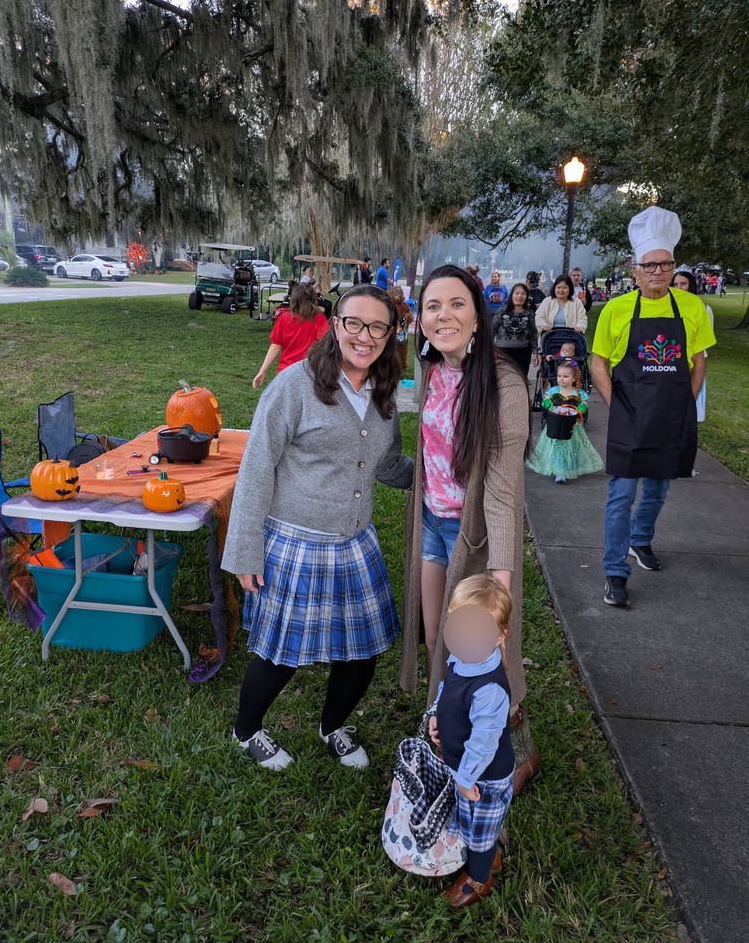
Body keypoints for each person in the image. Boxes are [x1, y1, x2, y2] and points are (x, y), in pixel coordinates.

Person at [223, 285, 413, 771]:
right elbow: (257, 469)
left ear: (391, 334)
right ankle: (246, 731)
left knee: (362, 652)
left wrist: (437, 475)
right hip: (296, 541)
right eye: (354, 323)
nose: (365, 336)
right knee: (281, 654)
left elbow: (387, 464)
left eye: (378, 327)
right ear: (335, 324)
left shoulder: (384, 389)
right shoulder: (294, 385)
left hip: (356, 542)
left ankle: (333, 726)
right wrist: (245, 550)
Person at [399, 264, 539, 797]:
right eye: (433, 306)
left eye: (457, 304)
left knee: (480, 651)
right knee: (437, 638)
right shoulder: (432, 368)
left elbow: (503, 493)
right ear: (422, 319)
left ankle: (513, 753)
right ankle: (450, 735)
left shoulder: (504, 384)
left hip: (473, 535)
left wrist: (500, 588)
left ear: (478, 315)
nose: (444, 316)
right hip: (431, 525)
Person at [591, 206, 716, 608]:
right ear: (636, 270)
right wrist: (616, 406)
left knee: (659, 488)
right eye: (650, 265)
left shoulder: (692, 308)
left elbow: (698, 362)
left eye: (665, 264)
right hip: (630, 418)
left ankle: (641, 538)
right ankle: (615, 571)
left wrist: (685, 403)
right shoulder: (616, 310)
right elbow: (598, 362)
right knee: (621, 494)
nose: (658, 272)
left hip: (671, 416)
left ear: (674, 266)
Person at [427, 575, 515, 909]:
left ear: (499, 636)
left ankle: (479, 878)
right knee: (471, 822)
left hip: (483, 777)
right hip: (463, 768)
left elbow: (484, 743)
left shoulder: (489, 689)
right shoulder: (460, 659)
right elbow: (446, 690)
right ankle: (489, 858)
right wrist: (435, 715)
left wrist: (465, 779)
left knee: (479, 831)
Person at [527, 360, 603, 483]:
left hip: (572, 425)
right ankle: (560, 471)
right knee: (557, 446)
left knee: (571, 446)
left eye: (565, 376)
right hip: (555, 424)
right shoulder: (554, 391)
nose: (561, 379)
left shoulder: (578, 393)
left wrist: (583, 406)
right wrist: (547, 402)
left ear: (573, 378)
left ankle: (568, 466)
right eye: (559, 376)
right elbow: (546, 400)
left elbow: (584, 403)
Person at [252, 284, 329, 388]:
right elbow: (325, 345)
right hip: (309, 371)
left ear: (293, 299)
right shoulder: (319, 319)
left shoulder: (284, 318)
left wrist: (262, 371)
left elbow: (275, 346)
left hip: (285, 371)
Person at [672, 270, 713, 423]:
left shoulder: (703, 309)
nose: (679, 288)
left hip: (694, 361)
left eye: (683, 284)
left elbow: (704, 341)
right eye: (675, 284)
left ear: (691, 285)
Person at [492, 282, 539, 376]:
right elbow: (492, 330)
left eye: (523, 294)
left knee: (521, 379)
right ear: (511, 295)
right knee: (503, 380)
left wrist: (535, 352)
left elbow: (533, 333)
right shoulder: (501, 311)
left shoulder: (529, 313)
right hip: (502, 352)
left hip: (523, 353)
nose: (519, 296)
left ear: (526, 297)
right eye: (517, 293)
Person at [390, 284, 414, 372]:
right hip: (392, 331)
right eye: (396, 293)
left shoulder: (404, 305)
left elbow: (411, 317)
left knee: (402, 349)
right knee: (392, 349)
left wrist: (408, 316)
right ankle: (392, 365)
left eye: (399, 293)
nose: (397, 296)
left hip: (402, 332)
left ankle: (403, 365)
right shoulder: (389, 305)